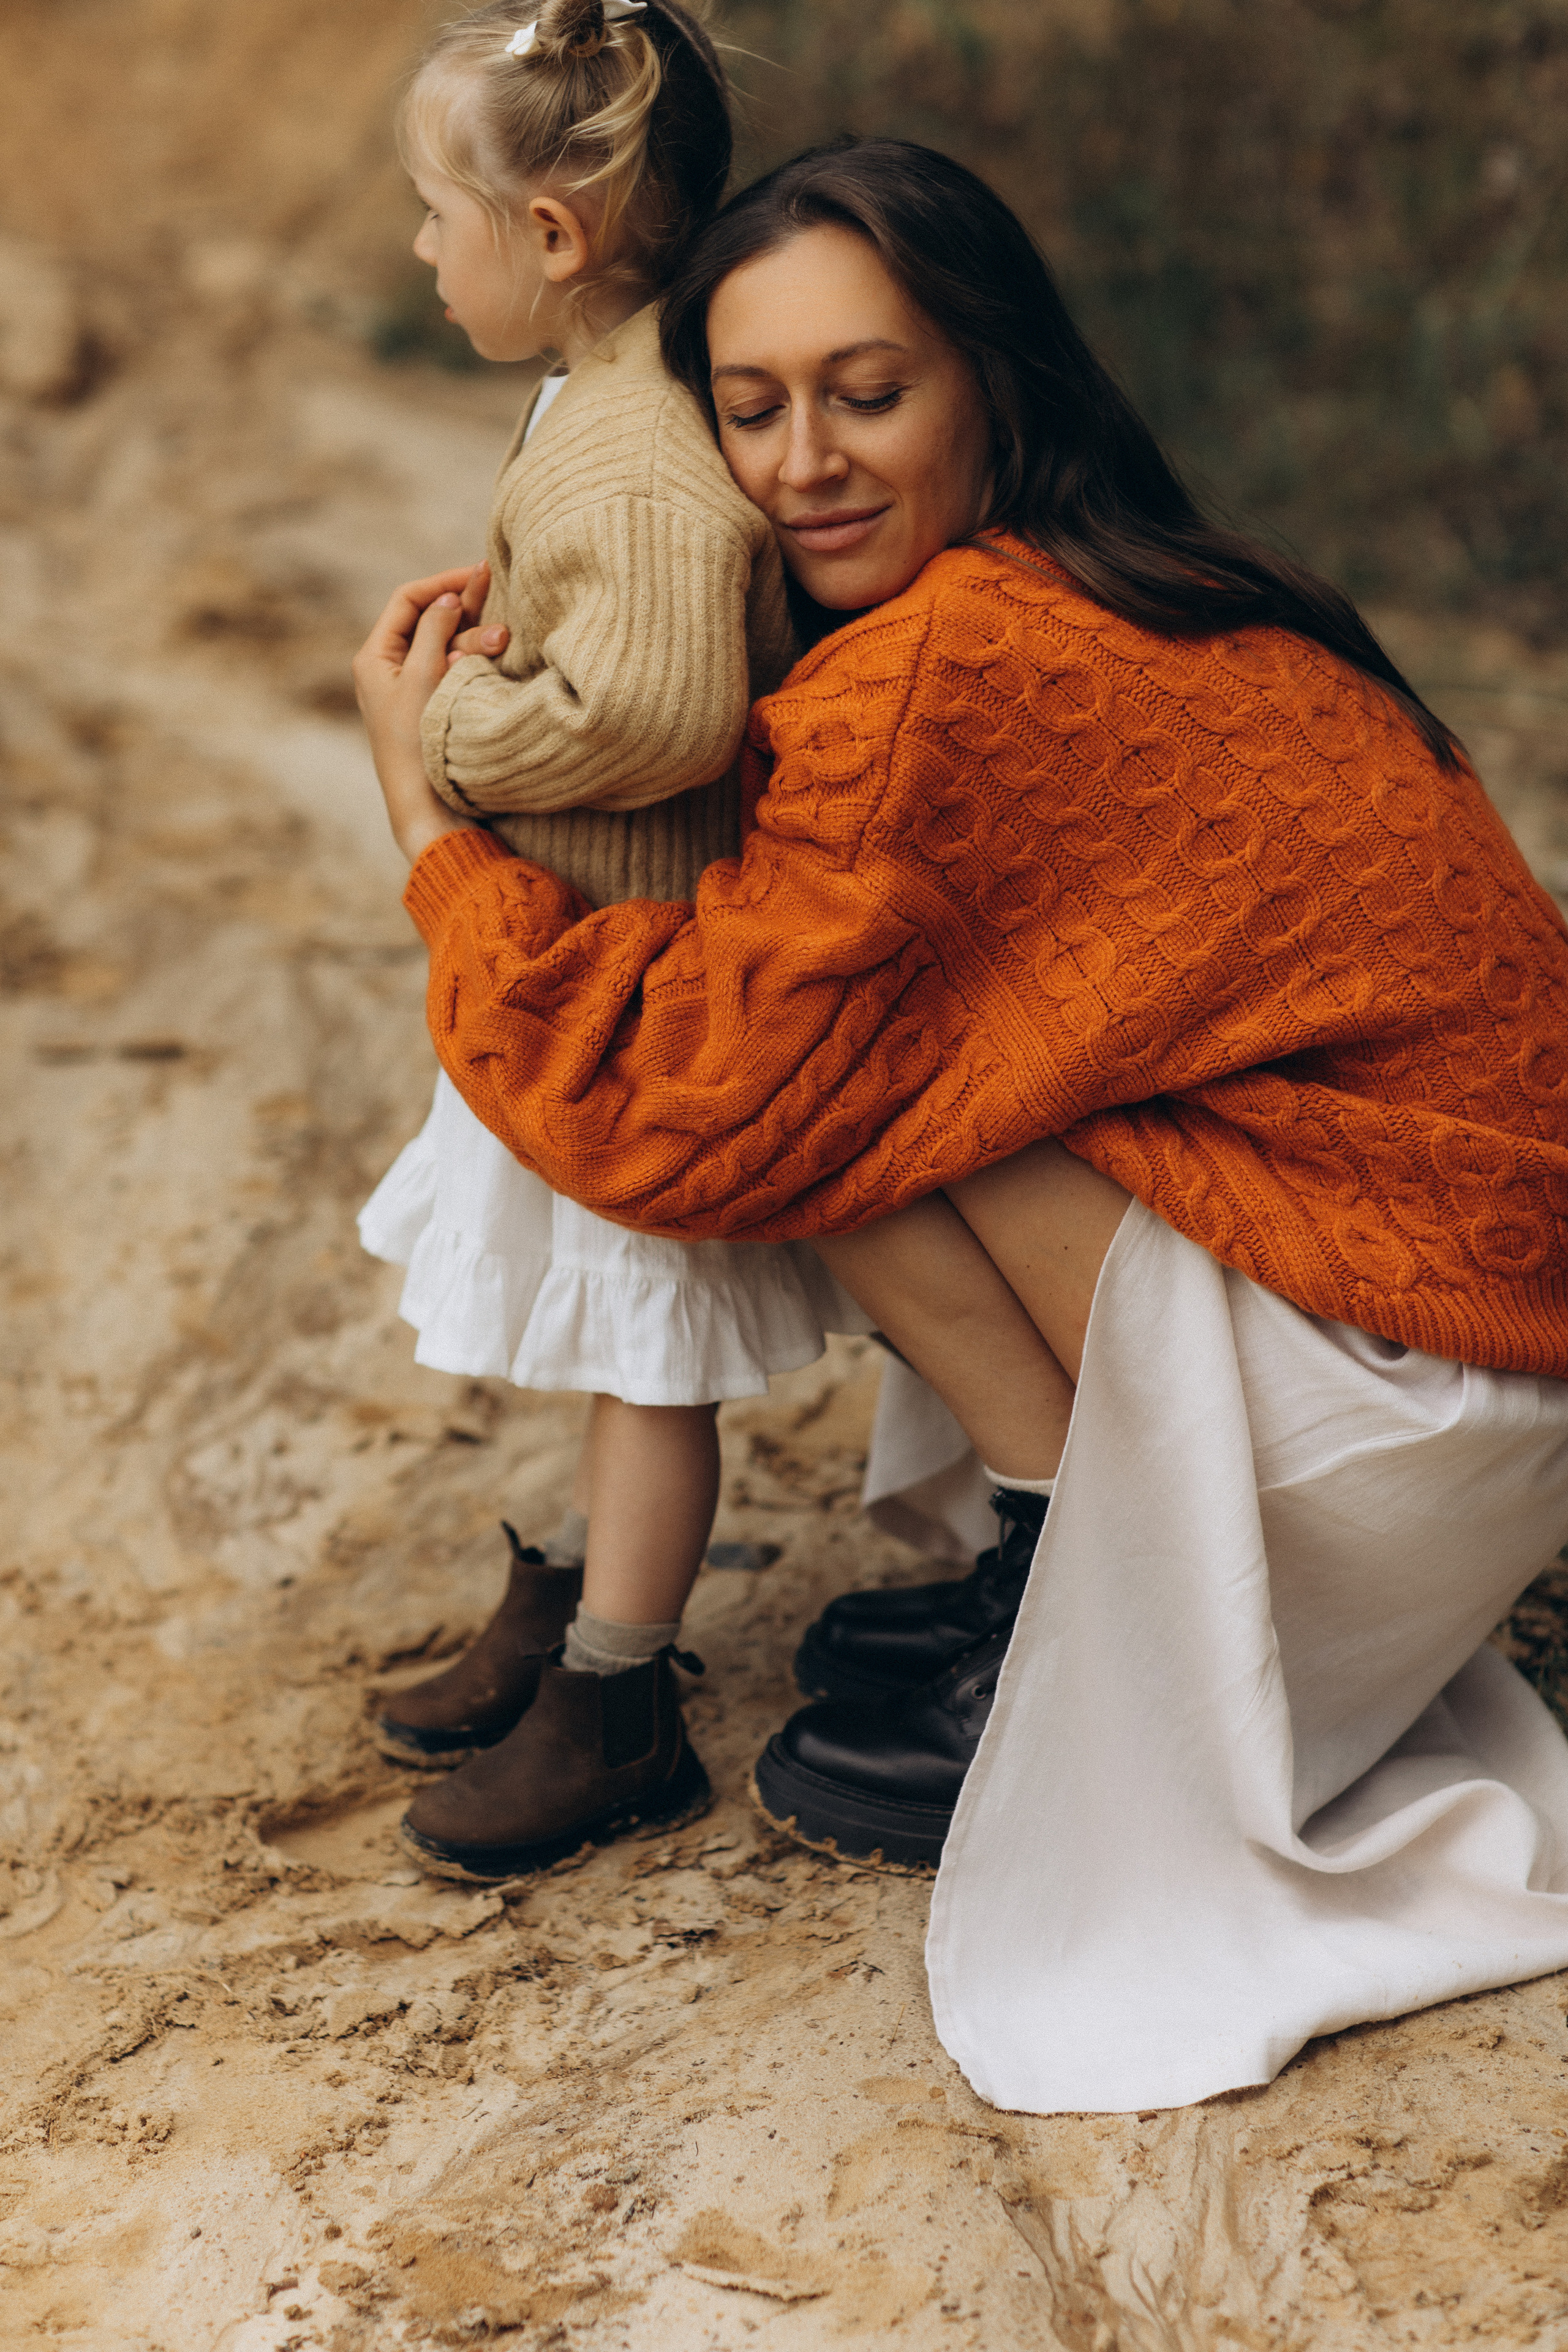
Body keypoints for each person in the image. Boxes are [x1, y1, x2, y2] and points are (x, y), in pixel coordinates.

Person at [355, 138, 1568, 2115]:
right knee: (898, 1055)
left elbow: (674, 1114)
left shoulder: (946, 670)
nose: (806, 462)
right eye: (748, 410)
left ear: (992, 376)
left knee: (839, 1101)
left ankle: (1068, 1607)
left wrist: (432, 827)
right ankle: (1051, 1567)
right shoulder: (1145, 580)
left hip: (1398, 1400)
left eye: (871, 391)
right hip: (1488, 1375)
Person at [350, 1, 927, 1871]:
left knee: (646, 1347)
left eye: (438, 213)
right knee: (598, 1327)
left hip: (649, 989)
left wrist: (449, 730)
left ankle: (619, 1696)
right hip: (590, 962)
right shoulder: (598, 405)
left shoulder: (634, 443)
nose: (419, 249)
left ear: (553, 238)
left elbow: (664, 706)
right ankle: (570, 1594)